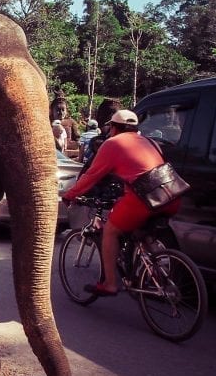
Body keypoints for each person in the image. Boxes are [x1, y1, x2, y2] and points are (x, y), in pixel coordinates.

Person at [61, 109, 182, 296]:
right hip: (170, 196)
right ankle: (156, 271)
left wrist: (70, 195)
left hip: (143, 199)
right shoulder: (150, 142)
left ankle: (110, 284)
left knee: (110, 231)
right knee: (139, 230)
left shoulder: (113, 143)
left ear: (114, 128)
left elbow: (92, 175)